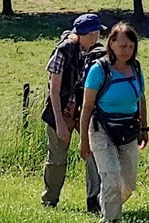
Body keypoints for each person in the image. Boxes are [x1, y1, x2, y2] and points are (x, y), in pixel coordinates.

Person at [78, 21, 149, 223]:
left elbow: (141, 99)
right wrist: (84, 141)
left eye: (130, 46)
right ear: (111, 44)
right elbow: (87, 107)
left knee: (128, 183)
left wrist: (144, 128)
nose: (126, 50)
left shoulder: (135, 68)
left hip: (128, 129)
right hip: (101, 129)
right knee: (111, 177)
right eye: (122, 45)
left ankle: (106, 202)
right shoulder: (99, 70)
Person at [42, 13, 104, 212]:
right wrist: (60, 122)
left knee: (93, 151)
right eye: (94, 33)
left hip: (81, 111)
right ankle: (50, 200)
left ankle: (93, 200)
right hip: (61, 110)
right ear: (87, 34)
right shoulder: (64, 50)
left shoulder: (93, 52)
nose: (97, 37)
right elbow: (54, 89)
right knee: (57, 159)